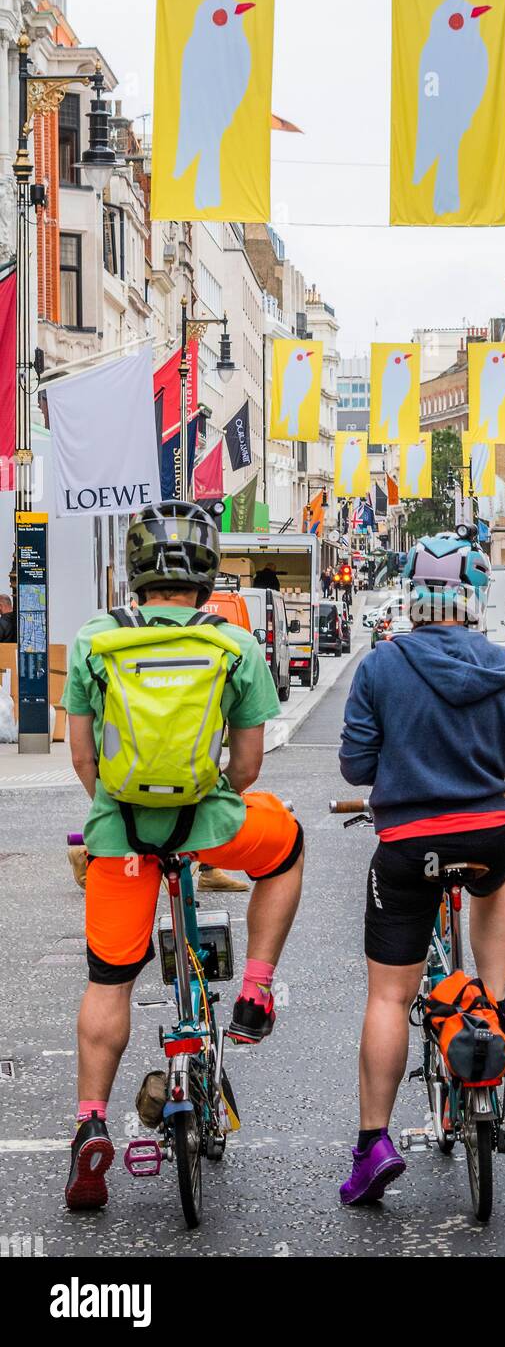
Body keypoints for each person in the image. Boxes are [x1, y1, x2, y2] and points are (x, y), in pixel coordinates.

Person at [61, 499, 305, 1211]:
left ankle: (90, 1126)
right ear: (205, 572)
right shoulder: (234, 644)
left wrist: (120, 812)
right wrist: (204, 807)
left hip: (123, 839)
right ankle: (257, 987)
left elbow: (83, 757)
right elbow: (250, 765)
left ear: (135, 571)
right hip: (208, 823)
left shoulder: (93, 641)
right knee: (287, 845)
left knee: (108, 982)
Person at [338, 528, 505, 1206]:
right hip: (488, 833)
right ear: (475, 596)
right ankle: (491, 1008)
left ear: (413, 595)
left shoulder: (379, 666)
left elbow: (355, 766)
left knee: (387, 997)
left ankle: (373, 1144)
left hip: (408, 843)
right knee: (496, 884)